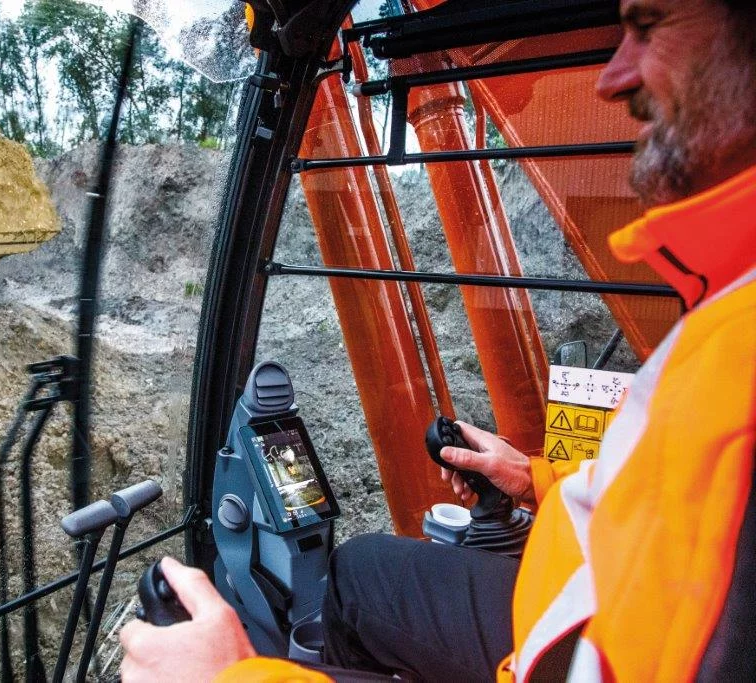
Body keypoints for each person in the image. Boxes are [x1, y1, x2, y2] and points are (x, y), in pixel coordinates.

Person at [119, 0, 756, 680]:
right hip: (589, 579)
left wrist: (236, 677)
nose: (612, 77)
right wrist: (534, 475)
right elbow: (668, 494)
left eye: (649, 25)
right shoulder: (724, 300)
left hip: (576, 630)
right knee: (361, 568)